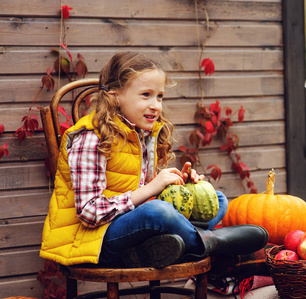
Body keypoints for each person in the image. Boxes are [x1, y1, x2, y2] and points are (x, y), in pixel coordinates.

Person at [40, 51, 268, 269]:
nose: (156, 105)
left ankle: (169, 247)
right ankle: (205, 243)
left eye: (159, 96)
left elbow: (146, 193)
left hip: (132, 231)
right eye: (146, 95)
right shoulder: (91, 138)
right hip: (92, 241)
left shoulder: (142, 133)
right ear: (114, 94)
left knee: (216, 198)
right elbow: (89, 214)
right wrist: (152, 189)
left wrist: (182, 187)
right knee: (157, 212)